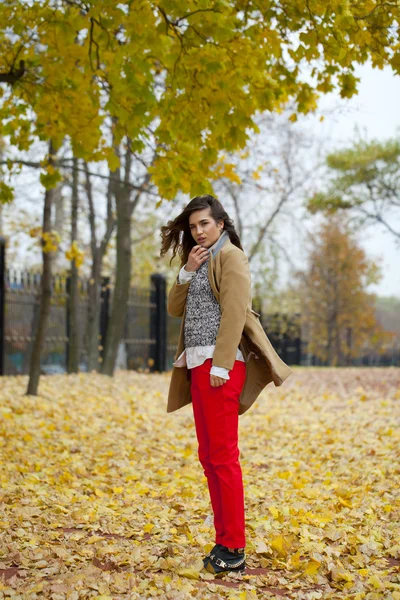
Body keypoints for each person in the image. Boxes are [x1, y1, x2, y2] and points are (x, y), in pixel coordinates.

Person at [160, 194, 292, 576]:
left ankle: (234, 546)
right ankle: (224, 540)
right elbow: (174, 307)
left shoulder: (231, 257)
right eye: (193, 225)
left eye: (204, 223)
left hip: (221, 367)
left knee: (223, 457)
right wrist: (186, 270)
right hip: (197, 365)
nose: (198, 231)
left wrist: (221, 363)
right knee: (209, 457)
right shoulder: (198, 259)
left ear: (220, 223)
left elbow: (235, 310)